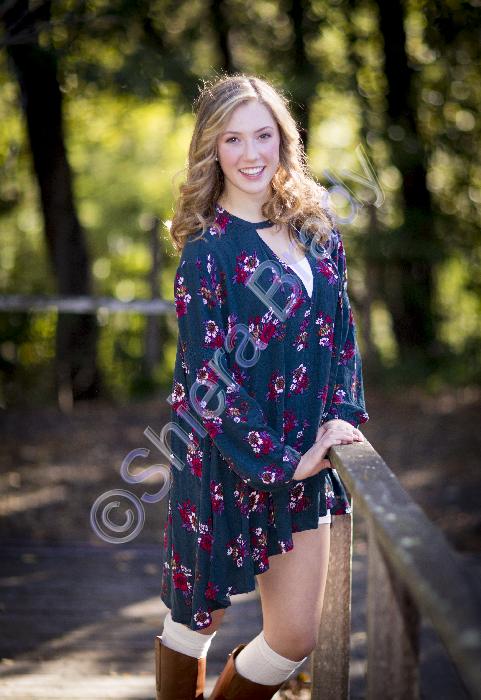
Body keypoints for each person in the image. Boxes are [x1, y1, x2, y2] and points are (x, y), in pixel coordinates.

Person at [155, 73, 369, 700]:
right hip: (223, 459)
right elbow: (207, 382)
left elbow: (341, 334)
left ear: (283, 140)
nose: (251, 154)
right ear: (212, 149)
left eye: (263, 135)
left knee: (295, 635)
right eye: (233, 139)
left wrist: (340, 417)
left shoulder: (318, 230)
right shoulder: (207, 252)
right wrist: (282, 462)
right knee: (197, 620)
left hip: (306, 459)